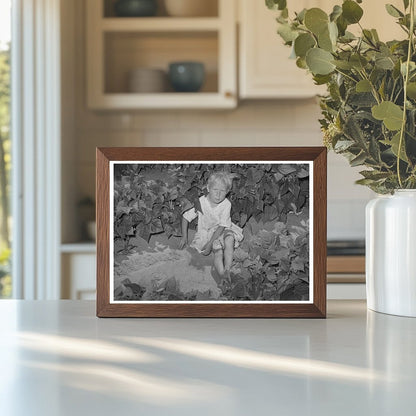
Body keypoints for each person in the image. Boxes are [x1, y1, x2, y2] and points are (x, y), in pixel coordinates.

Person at [179, 171, 243, 283]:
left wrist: (210, 243)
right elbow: (186, 217)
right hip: (207, 233)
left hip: (222, 229)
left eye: (222, 191)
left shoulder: (226, 204)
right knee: (217, 250)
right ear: (208, 188)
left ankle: (228, 268)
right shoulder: (201, 202)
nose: (218, 195)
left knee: (229, 239)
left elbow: (222, 226)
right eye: (215, 190)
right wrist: (184, 237)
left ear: (227, 192)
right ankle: (222, 274)